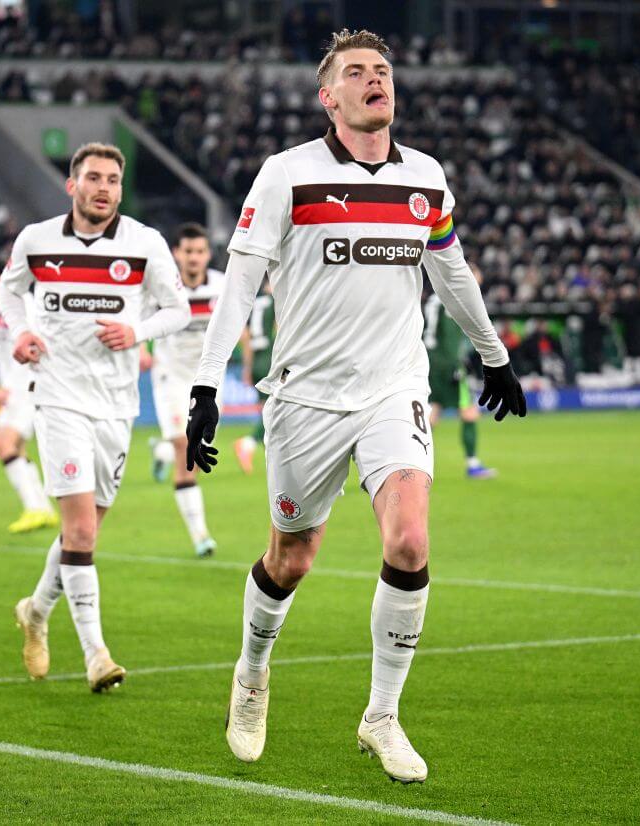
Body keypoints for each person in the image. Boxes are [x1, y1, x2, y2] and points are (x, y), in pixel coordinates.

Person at [185, 29, 526, 783]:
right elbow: (239, 283)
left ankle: (382, 716)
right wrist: (206, 386)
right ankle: (251, 672)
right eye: (357, 73)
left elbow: (453, 269)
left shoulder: (426, 177)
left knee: (409, 542)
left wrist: (494, 353)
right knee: (291, 557)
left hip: (392, 390)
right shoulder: (287, 175)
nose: (375, 81)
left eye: (383, 71)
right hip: (305, 395)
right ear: (327, 96)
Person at [0, 142, 189, 693]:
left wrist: (138, 331)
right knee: (79, 529)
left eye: (113, 180)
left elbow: (177, 309)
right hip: (57, 396)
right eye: (94, 178)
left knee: (83, 534)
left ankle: (36, 611)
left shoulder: (144, 244)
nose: (104, 188)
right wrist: (21, 332)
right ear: (72, 185)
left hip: (117, 404)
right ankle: (95, 654)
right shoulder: (36, 240)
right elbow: (10, 295)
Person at [147, 222, 225, 557]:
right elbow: (141, 321)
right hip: (171, 377)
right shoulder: (163, 289)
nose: (193, 257)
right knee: (185, 447)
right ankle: (200, 535)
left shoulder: (222, 287)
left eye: (199, 251)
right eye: (187, 251)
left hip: (206, 380)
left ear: (207, 254)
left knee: (199, 445)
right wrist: (139, 349)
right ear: (177, 253)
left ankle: (159, 451)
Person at [0, 272, 58, 534]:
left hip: (28, 386)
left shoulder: (29, 306)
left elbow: (39, 347)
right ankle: (44, 509)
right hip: (10, 390)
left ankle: (34, 508)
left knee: (3, 446)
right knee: (17, 450)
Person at [423, 285, 495, 478]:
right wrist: (455, 363)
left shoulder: (434, 300)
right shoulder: (449, 301)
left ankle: (409, 461)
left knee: (432, 412)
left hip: (432, 361)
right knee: (469, 412)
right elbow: (446, 338)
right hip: (447, 364)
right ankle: (472, 464)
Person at [233, 280, 275, 474]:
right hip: (270, 357)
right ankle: (248, 443)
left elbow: (245, 335)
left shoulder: (254, 301)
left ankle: (271, 457)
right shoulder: (277, 299)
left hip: (257, 360)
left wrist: (248, 367)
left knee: (266, 411)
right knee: (274, 413)